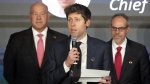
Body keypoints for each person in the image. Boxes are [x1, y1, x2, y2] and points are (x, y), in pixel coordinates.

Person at [3, 2, 67, 84]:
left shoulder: (61, 39)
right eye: (35, 14)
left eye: (42, 14)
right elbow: (8, 71)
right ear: (30, 16)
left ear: (48, 17)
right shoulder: (16, 39)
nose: (38, 18)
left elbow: (66, 70)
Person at [46, 3, 111, 84]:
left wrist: (107, 81)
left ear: (87, 22)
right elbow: (48, 80)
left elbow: (109, 78)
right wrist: (66, 64)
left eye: (77, 19)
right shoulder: (56, 47)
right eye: (70, 20)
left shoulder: (102, 47)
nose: (72, 24)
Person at [108, 13, 150, 84]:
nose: (117, 32)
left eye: (121, 29)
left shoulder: (139, 50)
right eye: (114, 28)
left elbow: (146, 79)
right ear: (110, 28)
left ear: (127, 29)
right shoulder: (102, 49)